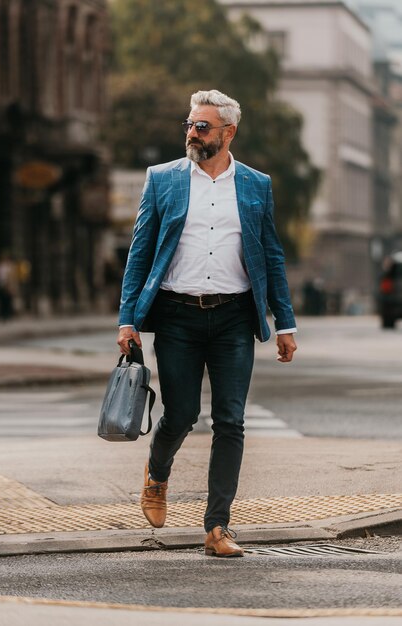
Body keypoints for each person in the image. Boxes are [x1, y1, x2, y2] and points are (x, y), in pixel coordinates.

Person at [117, 89, 297, 558]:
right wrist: (127, 318)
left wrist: (285, 323)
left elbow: (271, 256)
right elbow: (140, 252)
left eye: (202, 127)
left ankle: (217, 526)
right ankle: (157, 475)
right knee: (180, 415)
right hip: (176, 315)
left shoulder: (257, 184)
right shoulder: (163, 179)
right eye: (190, 125)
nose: (192, 134)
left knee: (231, 421)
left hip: (235, 316)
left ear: (228, 132)